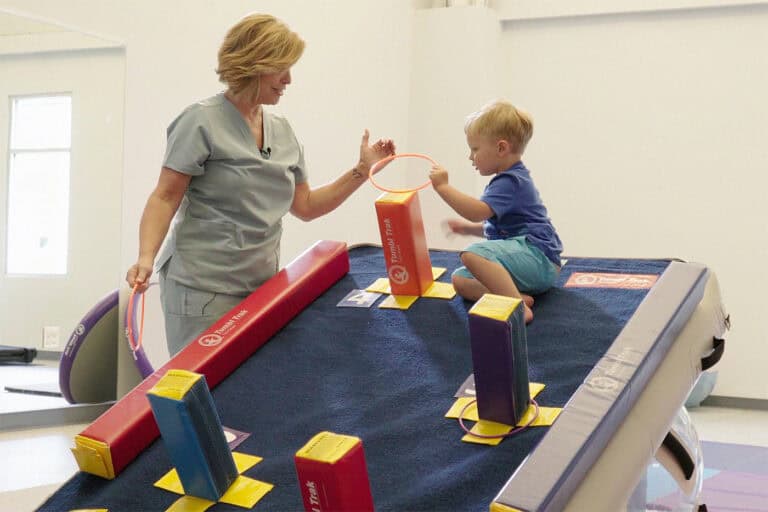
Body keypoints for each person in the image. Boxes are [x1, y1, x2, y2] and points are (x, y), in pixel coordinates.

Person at [125, 13, 395, 355]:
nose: (289, 80)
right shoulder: (200, 122)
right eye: (282, 68)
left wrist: (361, 170)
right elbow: (165, 197)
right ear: (255, 63)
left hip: (260, 287)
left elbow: (307, 206)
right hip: (201, 288)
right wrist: (146, 257)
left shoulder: (282, 130)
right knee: (204, 392)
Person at [428, 100, 562, 323]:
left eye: (475, 149)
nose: (471, 157)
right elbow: (504, 231)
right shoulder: (508, 180)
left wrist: (443, 187)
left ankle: (518, 309)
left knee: (472, 254)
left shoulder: (510, 181)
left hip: (540, 260)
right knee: (459, 279)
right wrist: (469, 229)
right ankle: (516, 297)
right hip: (528, 262)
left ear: (501, 148)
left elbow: (477, 212)